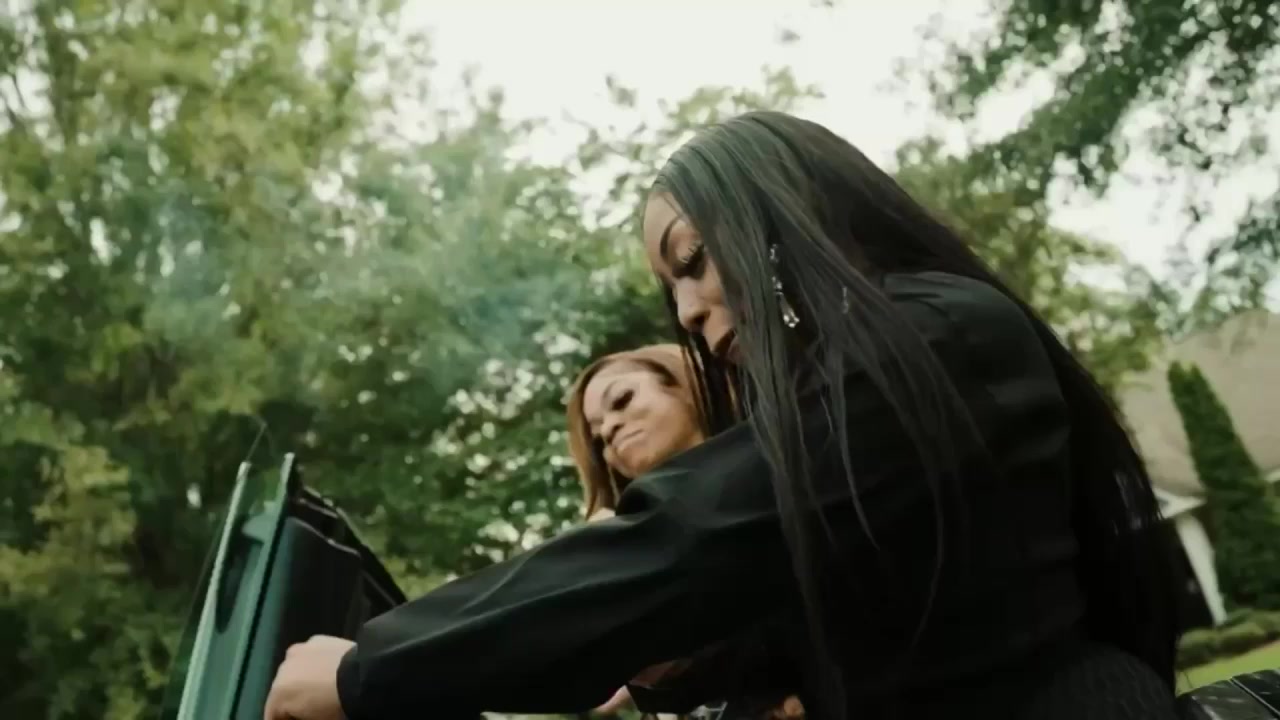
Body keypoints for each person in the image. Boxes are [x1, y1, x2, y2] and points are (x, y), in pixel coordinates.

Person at [264, 111, 1186, 720]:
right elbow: (852, 637)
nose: (691, 313)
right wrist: (685, 663)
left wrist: (369, 667)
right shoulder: (883, 379)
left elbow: (687, 541)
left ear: (779, 212)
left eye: (695, 261)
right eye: (672, 294)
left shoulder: (933, 336)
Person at [566, 344, 805, 720]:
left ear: (687, 382)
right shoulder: (637, 553)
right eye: (598, 439)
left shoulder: (795, 461)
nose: (609, 430)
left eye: (622, 399)